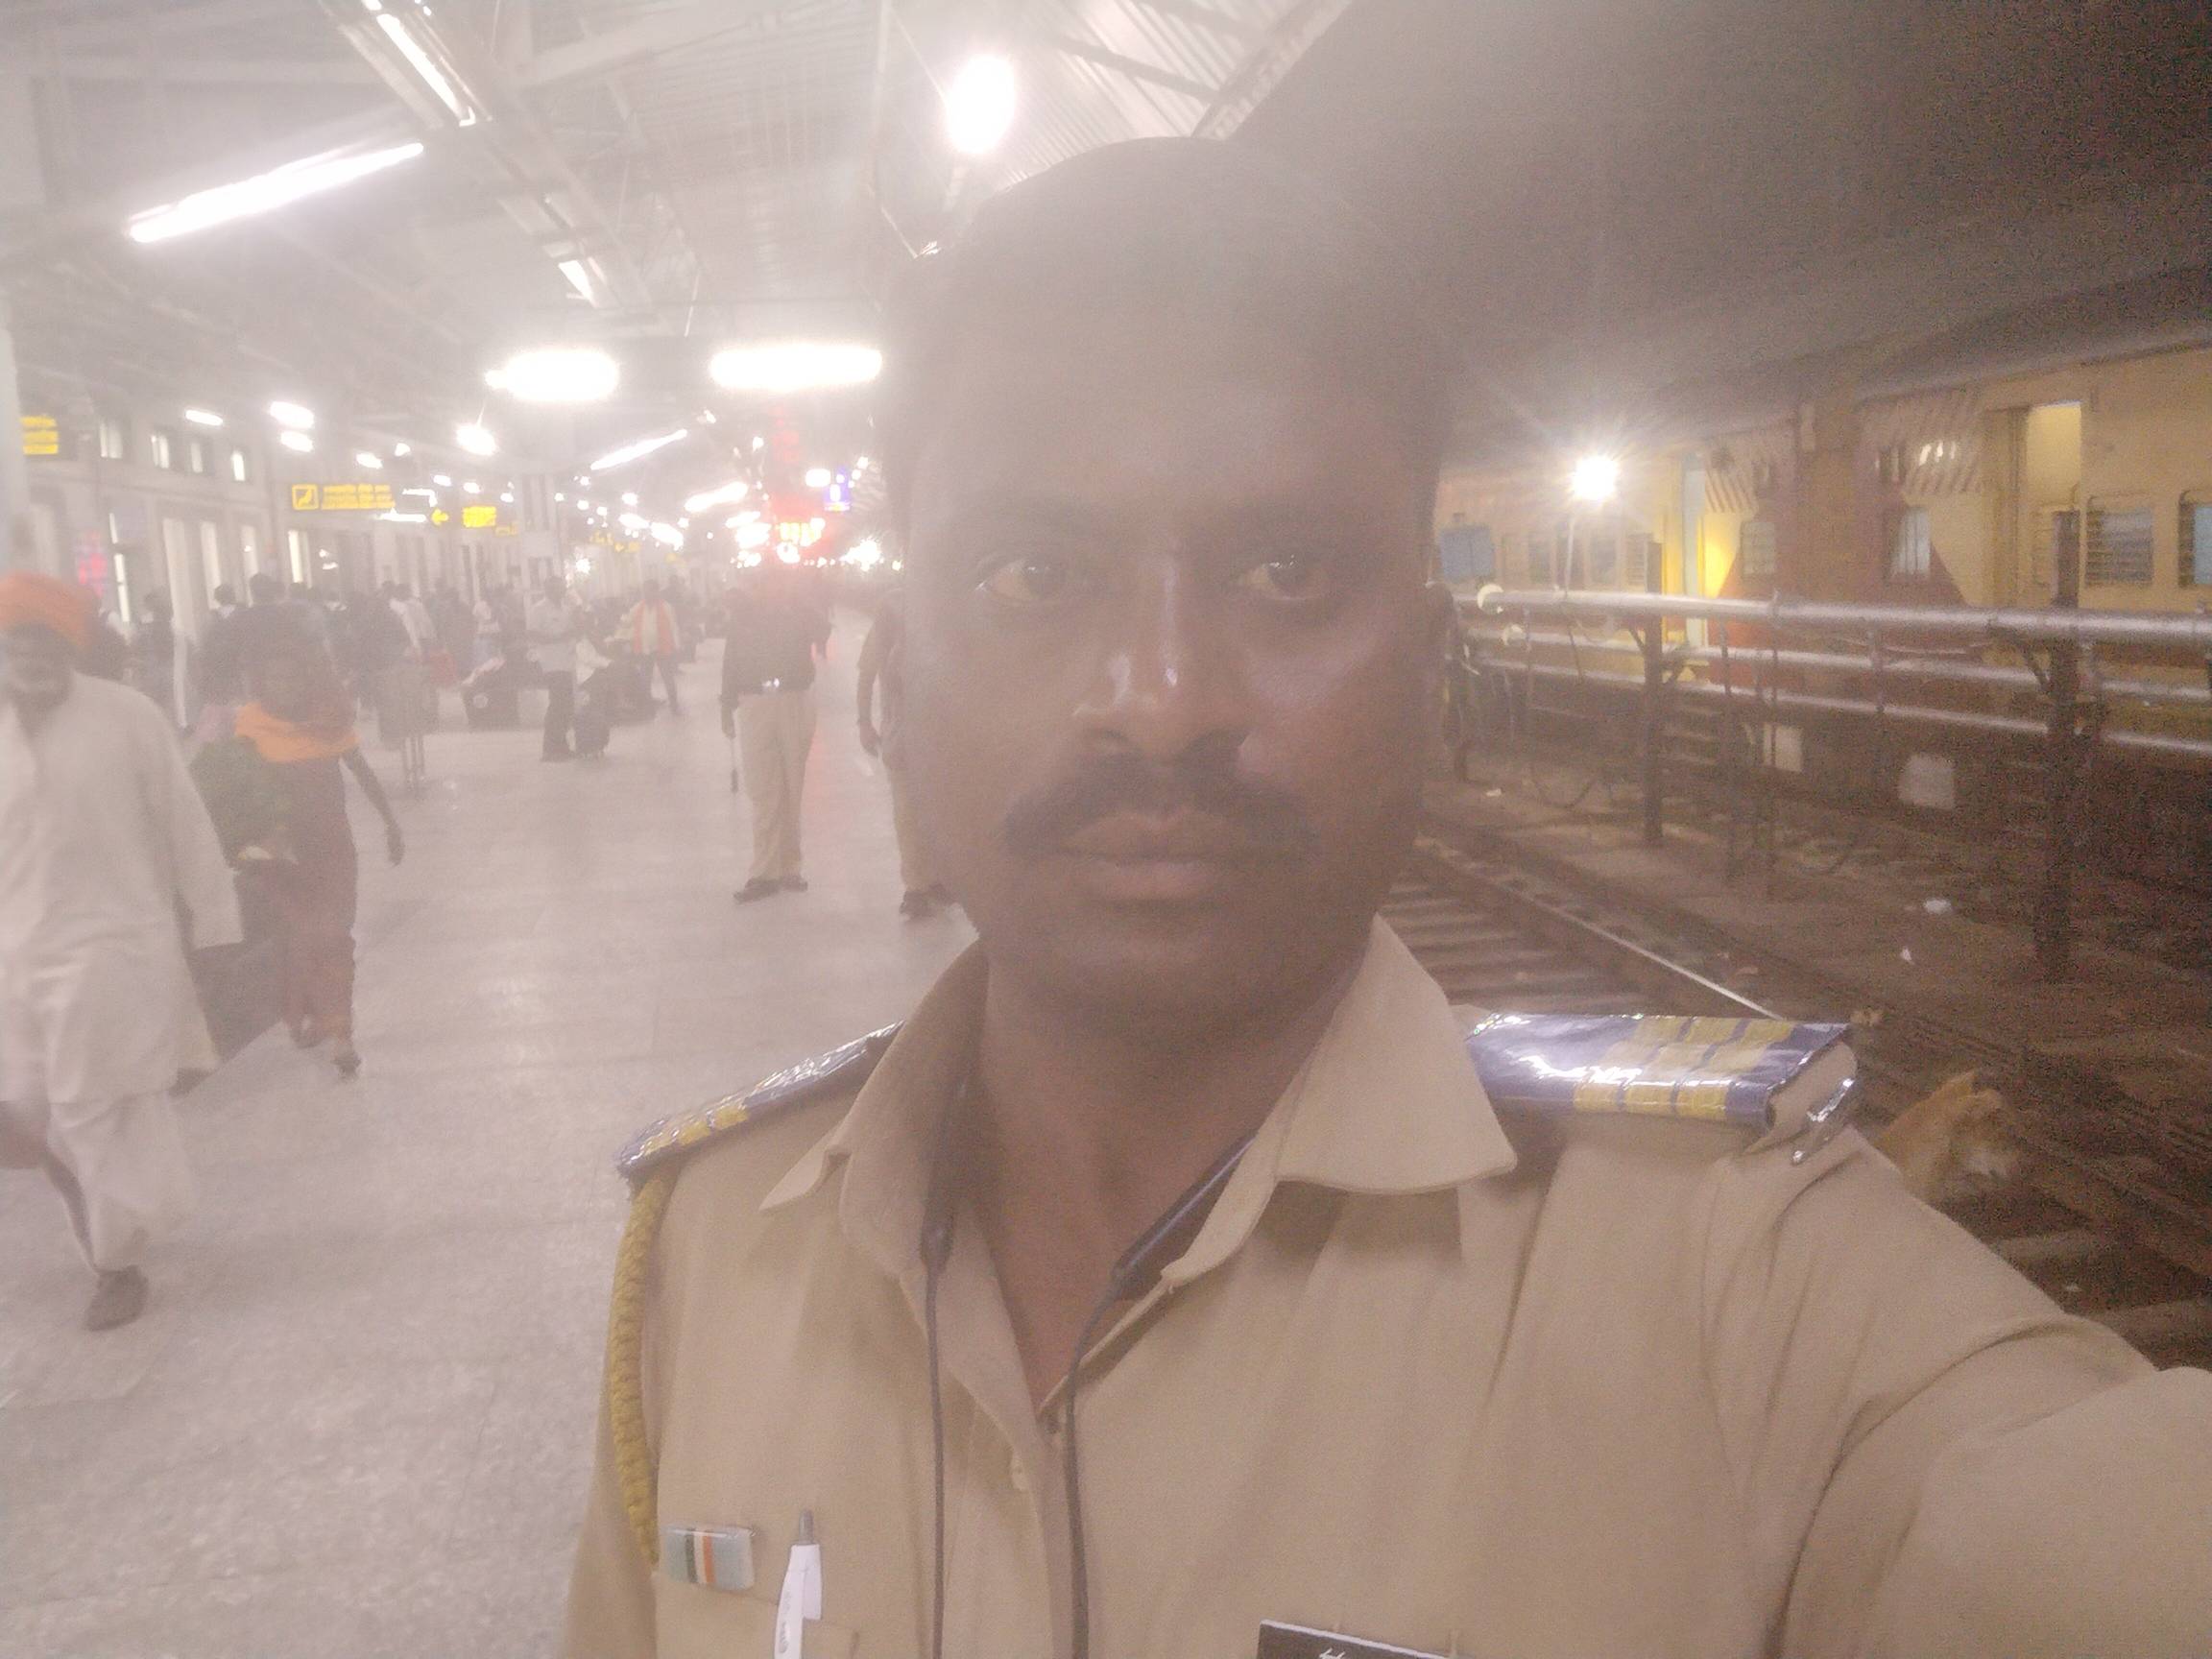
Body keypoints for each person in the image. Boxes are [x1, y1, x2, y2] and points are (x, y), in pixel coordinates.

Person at [561, 140, 2212, 1659]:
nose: (1160, 699)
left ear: (1427, 671)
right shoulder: (706, 1262)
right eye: (1032, 576)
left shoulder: (1749, 1292)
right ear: (893, 678)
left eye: (1287, 571)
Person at [0, 572, 241, 1331]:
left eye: (46, 639)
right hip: (14, 961)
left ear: (71, 646)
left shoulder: (127, 716)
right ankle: (121, 1225)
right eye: (17, 640)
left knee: (92, 1111)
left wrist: (216, 924)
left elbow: (184, 821)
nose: (32, 654)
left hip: (111, 949)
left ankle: (115, 1265)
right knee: (34, 1118)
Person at [233, 615, 404, 1077]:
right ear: (261, 682)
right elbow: (237, 791)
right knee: (300, 936)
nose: (283, 687)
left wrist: (391, 824)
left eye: (291, 678)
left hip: (333, 847)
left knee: (335, 936)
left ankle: (340, 1030)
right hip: (281, 854)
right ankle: (311, 1015)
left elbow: (361, 771)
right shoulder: (251, 725)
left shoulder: (327, 721)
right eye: (274, 679)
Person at [720, 563, 829, 901]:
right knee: (763, 790)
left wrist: (799, 598)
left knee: (792, 786)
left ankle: (789, 867)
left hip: (793, 699)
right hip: (755, 701)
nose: (772, 589)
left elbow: (823, 630)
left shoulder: (798, 613)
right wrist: (726, 705)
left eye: (779, 582)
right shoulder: (743, 617)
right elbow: (730, 660)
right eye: (766, 582)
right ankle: (764, 872)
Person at [855, 583, 946, 917]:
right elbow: (866, 676)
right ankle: (916, 886)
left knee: (934, 811)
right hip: (903, 734)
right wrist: (864, 722)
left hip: (938, 735)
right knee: (908, 812)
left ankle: (934, 878)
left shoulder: (942, 623)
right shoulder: (885, 626)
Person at [528, 576, 583, 760]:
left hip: (567, 662)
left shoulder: (567, 609)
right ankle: (550, 749)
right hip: (552, 663)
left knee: (566, 706)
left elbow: (576, 630)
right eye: (556, 588)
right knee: (557, 705)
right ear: (547, 590)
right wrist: (560, 637)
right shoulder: (538, 610)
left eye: (562, 588)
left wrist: (578, 612)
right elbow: (533, 635)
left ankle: (561, 746)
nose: (561, 592)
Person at [623, 578, 683, 713]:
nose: (646, 594)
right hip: (645, 649)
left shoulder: (667, 607)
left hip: (662, 648)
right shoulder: (637, 607)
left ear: (656, 591)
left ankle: (674, 705)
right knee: (645, 679)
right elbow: (627, 622)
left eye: (649, 591)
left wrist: (677, 646)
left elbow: (674, 627)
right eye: (644, 591)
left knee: (668, 678)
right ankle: (647, 706)